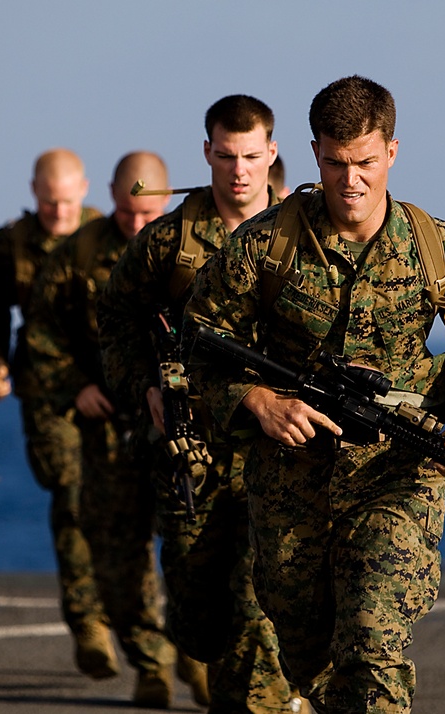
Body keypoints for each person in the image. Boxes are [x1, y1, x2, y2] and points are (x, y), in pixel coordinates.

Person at [182, 75, 445, 712]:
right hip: (290, 479)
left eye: (366, 162)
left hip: (398, 468)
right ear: (315, 153)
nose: (352, 182)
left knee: (372, 638)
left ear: (392, 151)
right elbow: (198, 342)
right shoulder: (263, 247)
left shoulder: (436, 250)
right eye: (337, 164)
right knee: (311, 657)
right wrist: (257, 402)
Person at [99, 96, 298, 713]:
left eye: (250, 156)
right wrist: (146, 387)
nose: (239, 171)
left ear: (271, 154)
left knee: (256, 607)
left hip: (278, 451)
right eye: (226, 156)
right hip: (194, 455)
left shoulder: (304, 235)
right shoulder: (167, 242)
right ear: (207, 153)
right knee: (200, 617)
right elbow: (115, 317)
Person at [26, 151, 209, 708]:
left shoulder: (193, 246)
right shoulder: (74, 254)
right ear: (108, 196)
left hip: (182, 425)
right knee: (118, 550)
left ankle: (197, 655)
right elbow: (39, 335)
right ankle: (149, 663)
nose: (136, 224)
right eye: (127, 212)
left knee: (191, 545)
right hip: (108, 424)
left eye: (148, 212)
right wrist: (74, 385)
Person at [0, 148, 117, 678]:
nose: (57, 211)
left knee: (135, 504)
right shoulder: (11, 245)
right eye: (48, 202)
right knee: (72, 494)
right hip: (49, 390)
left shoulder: (112, 232)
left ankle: (157, 630)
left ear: (85, 190)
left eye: (67, 200)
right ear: (34, 193)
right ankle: (89, 625)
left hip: (115, 388)